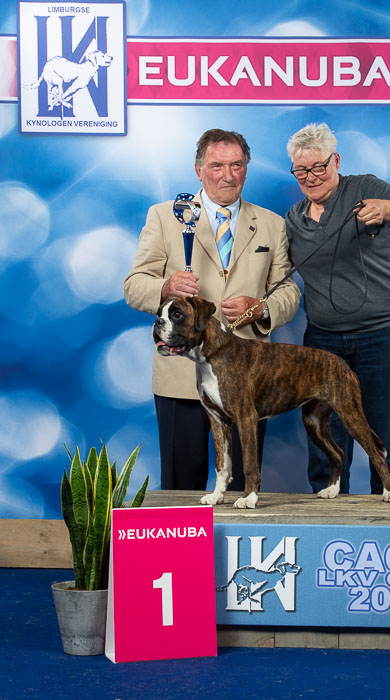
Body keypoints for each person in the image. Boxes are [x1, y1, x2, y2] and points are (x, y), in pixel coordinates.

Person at [124, 128, 300, 491]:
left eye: (237, 165)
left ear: (246, 168)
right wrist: (166, 287)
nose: (228, 175)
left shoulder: (272, 224)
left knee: (244, 489)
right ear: (198, 169)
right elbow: (134, 285)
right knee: (181, 489)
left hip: (248, 379)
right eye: (217, 166)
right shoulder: (164, 217)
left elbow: (288, 292)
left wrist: (262, 309)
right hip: (180, 376)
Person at [285, 122, 390, 497]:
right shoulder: (294, 218)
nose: (311, 177)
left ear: (336, 161)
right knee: (326, 454)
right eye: (301, 171)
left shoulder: (365, 188)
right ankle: (329, 528)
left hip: (387, 338)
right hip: (323, 343)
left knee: (389, 451)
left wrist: (386, 209)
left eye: (319, 167)